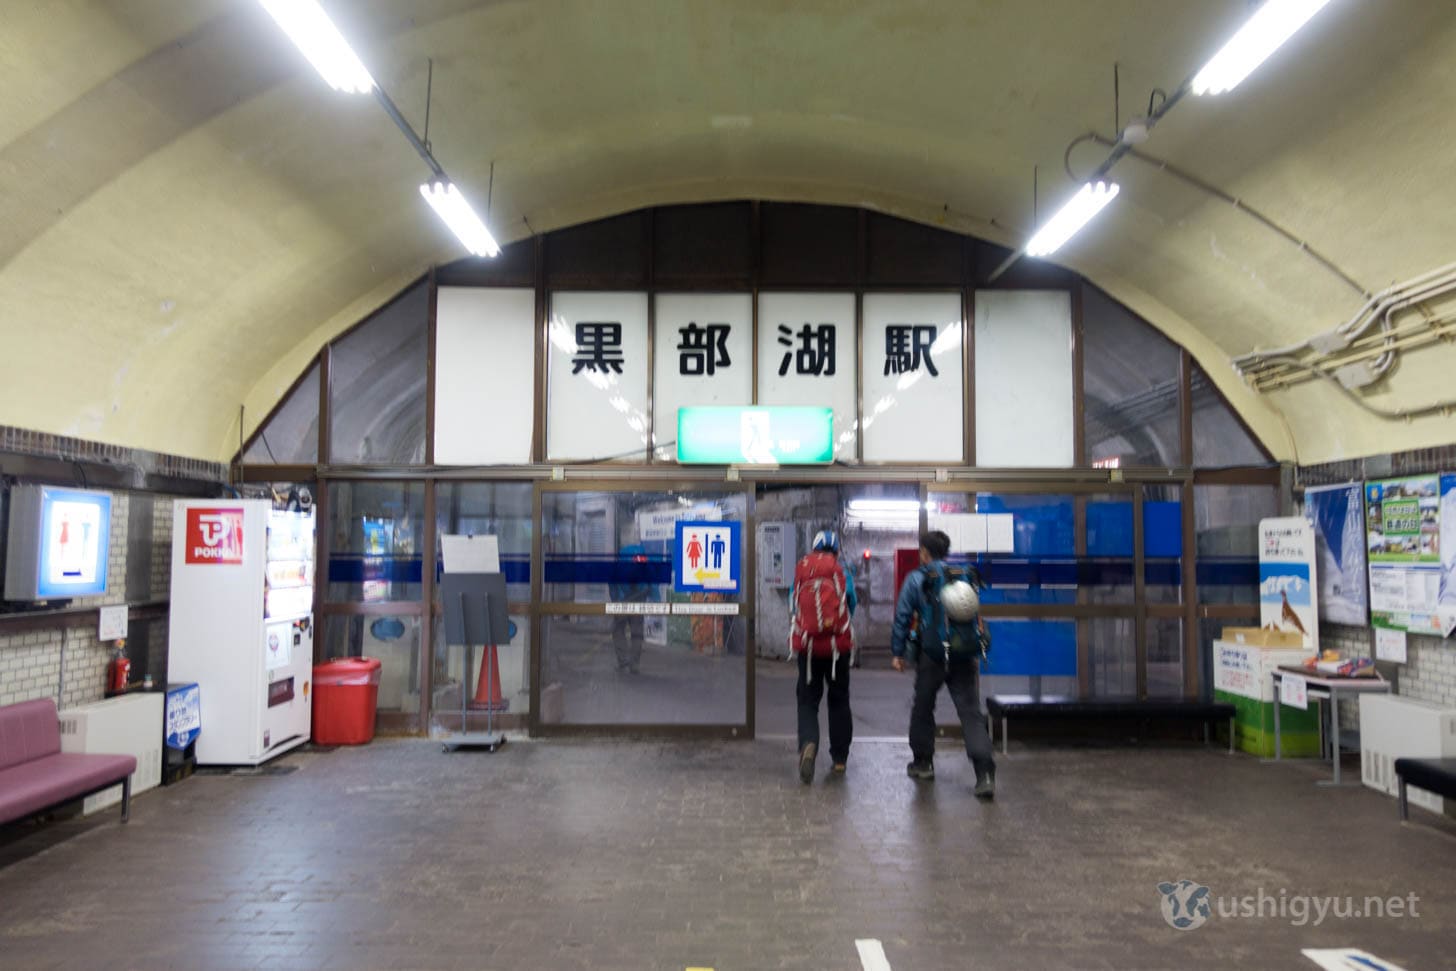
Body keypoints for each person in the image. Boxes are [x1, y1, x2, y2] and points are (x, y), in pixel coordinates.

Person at [891, 529, 996, 799]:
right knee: (971, 712)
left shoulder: (918, 578)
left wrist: (898, 652)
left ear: (924, 552)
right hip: (963, 654)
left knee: (923, 707)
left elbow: (903, 615)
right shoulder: (961, 576)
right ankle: (984, 774)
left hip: (932, 655)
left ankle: (923, 763)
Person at [788, 529, 857, 784]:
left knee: (807, 701)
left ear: (814, 550)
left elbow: (793, 604)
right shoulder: (842, 572)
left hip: (808, 649)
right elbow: (852, 603)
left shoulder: (803, 569)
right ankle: (839, 759)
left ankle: (808, 743)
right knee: (839, 701)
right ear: (836, 552)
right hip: (837, 647)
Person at [608, 543, 653, 673]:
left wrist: (615, 600)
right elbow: (650, 586)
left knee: (617, 630)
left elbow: (612, 585)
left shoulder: (620, 565)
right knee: (637, 633)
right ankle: (635, 665)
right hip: (638, 602)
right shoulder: (644, 565)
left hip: (622, 602)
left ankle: (623, 662)